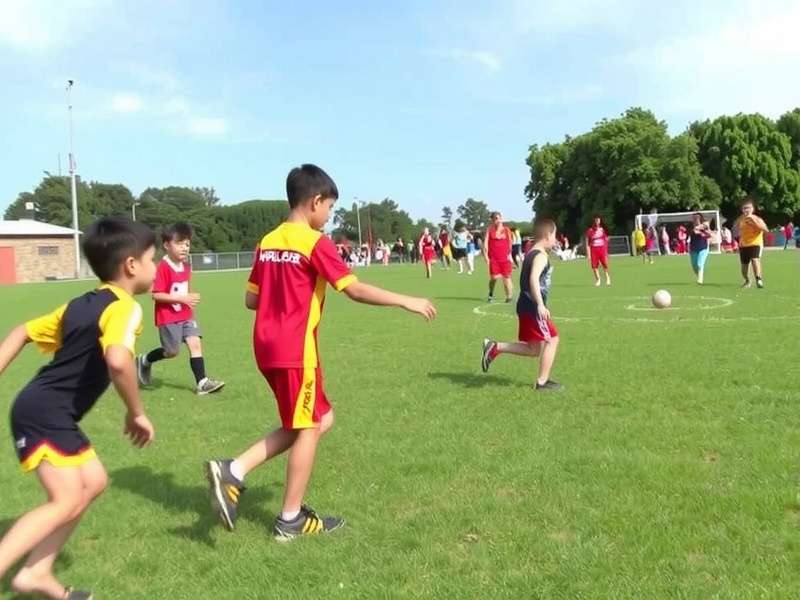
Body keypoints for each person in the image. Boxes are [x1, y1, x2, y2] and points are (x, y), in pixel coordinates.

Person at [204, 164, 436, 541]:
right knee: (309, 426)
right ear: (315, 202)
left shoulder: (268, 241)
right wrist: (405, 301)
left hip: (265, 345)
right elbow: (354, 289)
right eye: (329, 208)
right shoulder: (315, 243)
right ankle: (289, 519)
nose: (328, 217)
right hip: (296, 349)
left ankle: (235, 470)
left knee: (318, 420)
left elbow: (251, 299)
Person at [0, 217, 157, 600]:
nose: (157, 267)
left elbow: (21, 331)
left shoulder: (81, 304)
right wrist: (135, 412)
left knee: (94, 482)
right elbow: (119, 361)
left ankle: (36, 573)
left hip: (47, 409)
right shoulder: (125, 308)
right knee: (66, 498)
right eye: (153, 259)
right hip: (45, 413)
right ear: (132, 265)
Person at [136, 223, 225, 395]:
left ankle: (202, 383)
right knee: (172, 351)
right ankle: (145, 360)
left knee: (195, 343)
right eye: (180, 243)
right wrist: (182, 298)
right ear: (167, 245)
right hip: (168, 317)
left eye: (187, 244)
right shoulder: (162, 268)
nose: (185, 247)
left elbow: (185, 289)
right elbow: (156, 295)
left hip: (186, 315)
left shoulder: (186, 266)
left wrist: (189, 299)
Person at [480, 217, 562, 391]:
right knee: (552, 339)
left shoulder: (531, 252)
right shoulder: (540, 256)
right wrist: (540, 304)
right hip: (532, 307)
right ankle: (542, 382)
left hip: (525, 305)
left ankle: (495, 347)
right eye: (554, 235)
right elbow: (533, 279)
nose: (556, 239)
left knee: (534, 349)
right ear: (547, 235)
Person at [734, 197, 768, 288]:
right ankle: (747, 280)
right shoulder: (741, 219)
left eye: (748, 208)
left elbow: (765, 229)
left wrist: (753, 222)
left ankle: (758, 279)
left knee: (755, 259)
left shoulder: (757, 219)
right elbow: (735, 227)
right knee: (744, 268)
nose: (746, 210)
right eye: (744, 208)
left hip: (755, 243)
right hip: (744, 245)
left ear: (753, 209)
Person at [483, 212, 514, 303]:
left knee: (507, 277)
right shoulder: (490, 230)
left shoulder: (506, 230)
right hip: (494, 259)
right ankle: (491, 293)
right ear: (492, 220)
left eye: (499, 218)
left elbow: (510, 243)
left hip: (505, 258)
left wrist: (510, 255)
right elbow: (485, 244)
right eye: (495, 218)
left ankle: (509, 297)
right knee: (494, 278)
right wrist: (486, 257)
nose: (498, 220)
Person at [585, 216, 611, 286]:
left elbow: (605, 238)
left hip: (601, 249)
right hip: (594, 249)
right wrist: (588, 252)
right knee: (594, 266)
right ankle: (598, 280)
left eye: (599, 221)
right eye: (596, 221)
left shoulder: (602, 229)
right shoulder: (590, 231)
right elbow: (587, 241)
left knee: (604, 264)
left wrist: (606, 250)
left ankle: (608, 278)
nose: (597, 222)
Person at [688, 212, 712, 284]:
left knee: (700, 264)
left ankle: (700, 280)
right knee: (695, 267)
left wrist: (702, 233)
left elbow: (709, 235)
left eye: (697, 218)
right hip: (693, 249)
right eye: (694, 218)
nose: (695, 219)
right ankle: (699, 275)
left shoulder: (704, 226)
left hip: (703, 248)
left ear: (700, 219)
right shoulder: (690, 226)